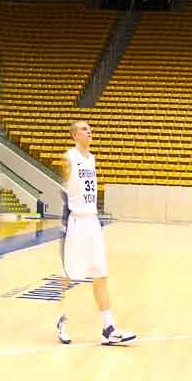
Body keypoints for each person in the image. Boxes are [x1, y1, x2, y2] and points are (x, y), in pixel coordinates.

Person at [54, 121, 138, 345]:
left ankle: (109, 329)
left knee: (100, 274)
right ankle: (62, 320)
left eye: (90, 129)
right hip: (76, 222)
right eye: (84, 129)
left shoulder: (92, 158)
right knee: (70, 275)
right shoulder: (69, 157)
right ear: (74, 134)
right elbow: (63, 185)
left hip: (93, 221)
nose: (89, 131)